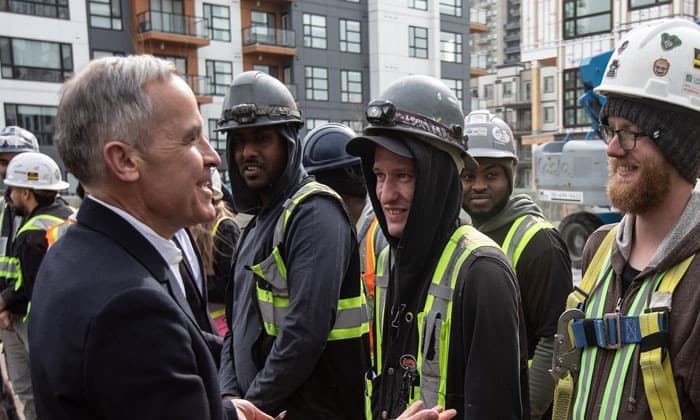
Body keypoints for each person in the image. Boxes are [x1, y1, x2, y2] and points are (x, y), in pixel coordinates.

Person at [27, 55, 270, 420]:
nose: (213, 157)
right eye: (191, 139)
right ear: (125, 161)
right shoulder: (130, 310)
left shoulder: (80, 252)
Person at [346, 75, 524, 419]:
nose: (385, 195)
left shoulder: (483, 274)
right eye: (380, 176)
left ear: (438, 177)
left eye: (404, 176)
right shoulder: (387, 261)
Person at [549, 18, 700, 419]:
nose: (613, 149)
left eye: (630, 132)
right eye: (609, 129)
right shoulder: (600, 248)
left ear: (679, 145)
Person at [216, 71, 370, 419]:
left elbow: (305, 332)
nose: (247, 152)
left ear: (288, 142)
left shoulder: (315, 214)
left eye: (262, 138)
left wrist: (250, 408)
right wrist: (230, 399)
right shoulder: (257, 223)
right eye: (238, 141)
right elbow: (235, 326)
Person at [460, 110, 572, 419]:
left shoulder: (540, 244)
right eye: (469, 176)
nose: (479, 185)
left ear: (509, 176)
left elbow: (556, 342)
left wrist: (527, 408)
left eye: (491, 175)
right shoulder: (461, 237)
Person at [0, 126, 38, 420]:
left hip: (37, 317)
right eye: (3, 162)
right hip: (9, 315)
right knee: (24, 391)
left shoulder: (54, 218)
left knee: (50, 386)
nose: (8, 170)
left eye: (16, 161)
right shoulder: (3, 210)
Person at [189, 168, 240, 336]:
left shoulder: (225, 228)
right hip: (207, 323)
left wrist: (195, 284)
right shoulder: (190, 227)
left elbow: (230, 285)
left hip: (222, 325)